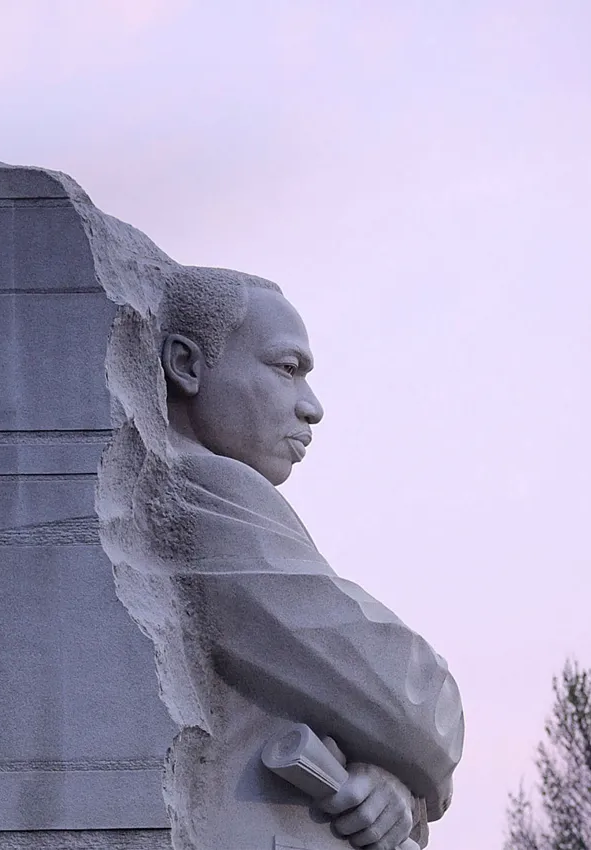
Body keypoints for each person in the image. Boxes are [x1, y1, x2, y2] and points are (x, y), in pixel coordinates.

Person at [104, 266, 463, 850]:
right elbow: (409, 702)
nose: (312, 407)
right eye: (286, 369)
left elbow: (355, 705)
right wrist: (416, 752)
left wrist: (401, 788)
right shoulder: (198, 487)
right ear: (187, 366)